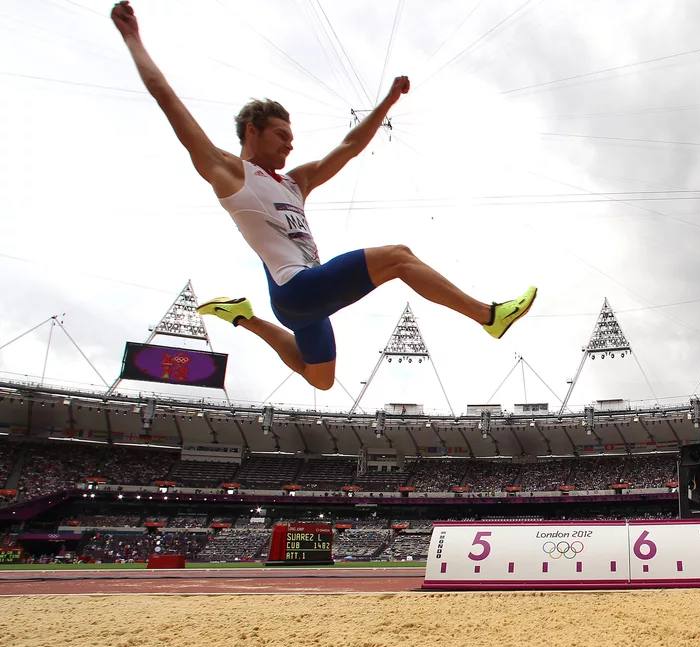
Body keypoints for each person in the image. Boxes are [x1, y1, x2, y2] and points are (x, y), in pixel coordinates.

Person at [110, 2, 537, 390]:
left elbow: (348, 148)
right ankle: (489, 316)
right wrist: (132, 38)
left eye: (292, 138)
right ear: (252, 132)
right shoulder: (227, 172)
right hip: (298, 289)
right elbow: (165, 95)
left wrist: (387, 102)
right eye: (281, 136)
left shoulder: (295, 183)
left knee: (321, 380)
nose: (289, 145)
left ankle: (242, 315)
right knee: (398, 256)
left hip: (303, 305)